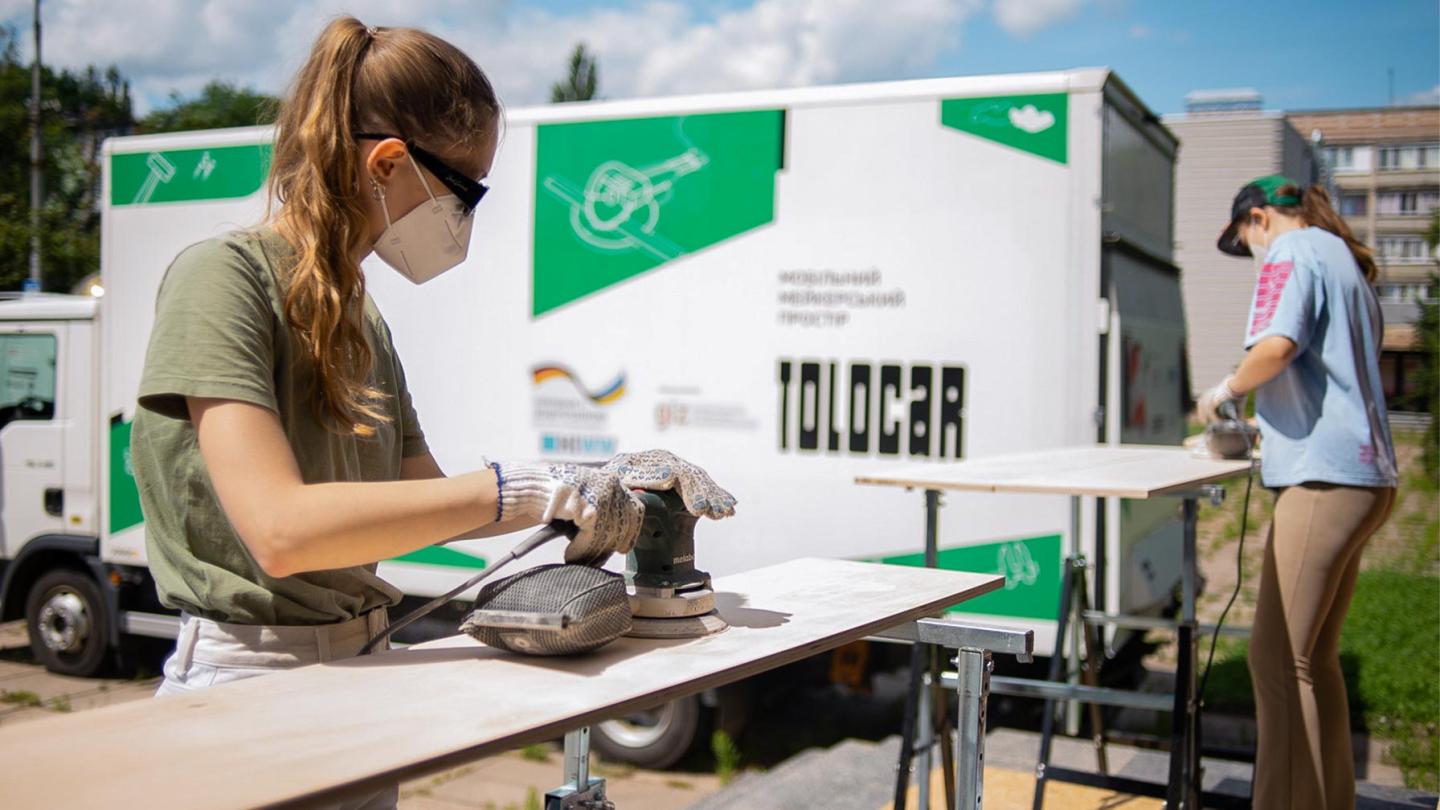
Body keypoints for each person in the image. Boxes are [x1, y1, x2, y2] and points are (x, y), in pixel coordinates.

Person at [131, 17, 734, 807]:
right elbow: (280, 531)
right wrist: (521, 488)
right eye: (465, 193)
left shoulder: (360, 313)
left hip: (360, 670)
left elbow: (425, 500)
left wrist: (583, 482)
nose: (467, 221)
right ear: (387, 163)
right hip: (248, 679)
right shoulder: (224, 281)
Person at [1197, 175, 1396, 810]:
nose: (1250, 252)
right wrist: (1268, 425)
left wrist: (1225, 392)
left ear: (1259, 218)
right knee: (1314, 662)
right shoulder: (1341, 257)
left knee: (1277, 663)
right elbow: (1327, 377)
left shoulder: (1290, 251)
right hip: (1364, 475)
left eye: (1244, 239)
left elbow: (1277, 347)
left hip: (1323, 477)